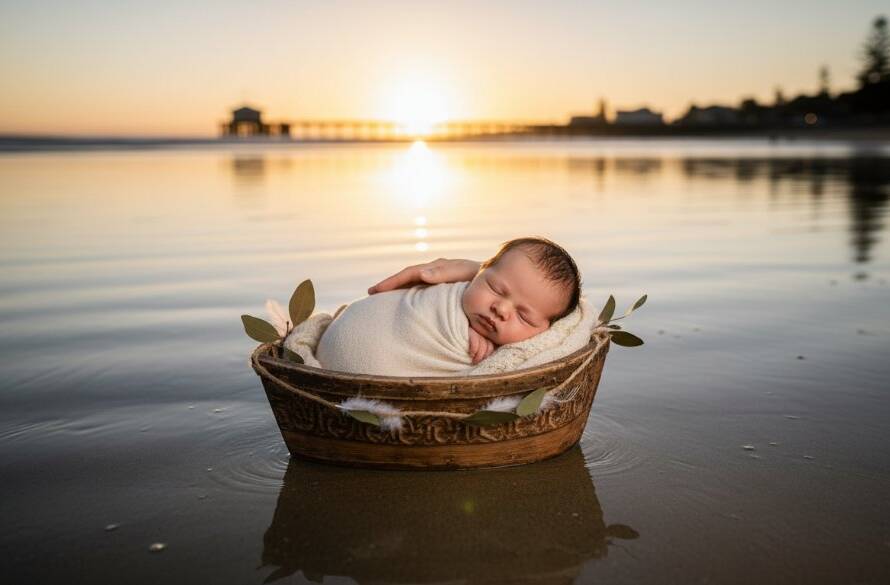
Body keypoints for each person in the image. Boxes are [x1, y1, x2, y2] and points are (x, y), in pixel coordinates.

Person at [314, 237, 581, 375]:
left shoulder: (528, 342)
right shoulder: (443, 296)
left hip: (340, 367)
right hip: (357, 331)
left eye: (523, 316)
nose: (501, 309)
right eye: (496, 289)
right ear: (478, 273)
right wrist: (461, 327)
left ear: (547, 330)